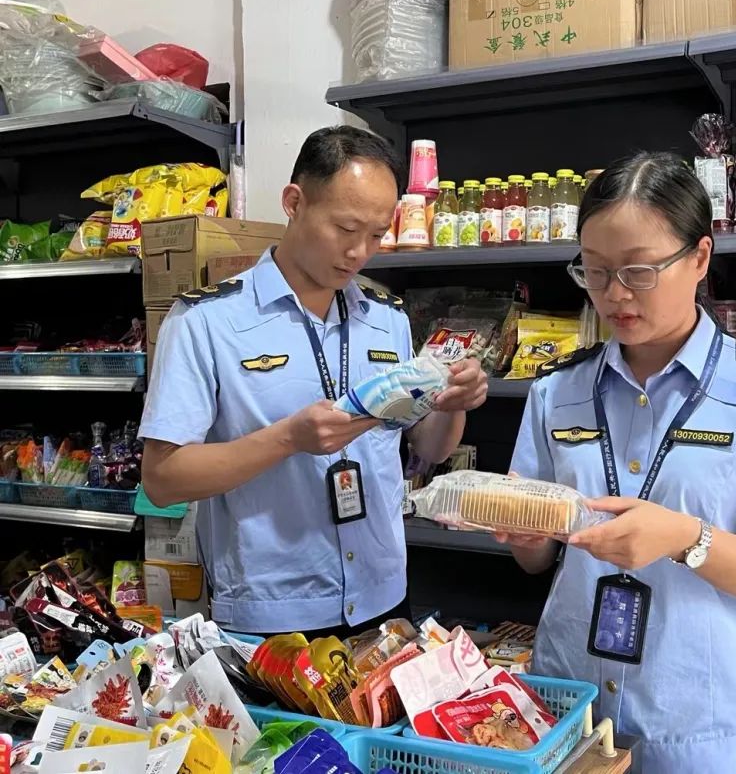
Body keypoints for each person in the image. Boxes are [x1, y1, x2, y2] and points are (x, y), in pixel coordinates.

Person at [504, 152, 736, 773]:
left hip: (700, 732)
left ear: (701, 259)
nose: (615, 295)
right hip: (566, 718)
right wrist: (528, 534)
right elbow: (537, 559)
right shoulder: (556, 392)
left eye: (639, 271)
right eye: (596, 273)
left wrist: (686, 538)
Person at [139, 126, 488, 637]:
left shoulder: (386, 318)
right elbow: (163, 479)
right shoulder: (205, 322)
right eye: (345, 229)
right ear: (294, 202)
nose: (359, 252)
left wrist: (454, 401)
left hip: (383, 595)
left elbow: (429, 447)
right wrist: (287, 439)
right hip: (274, 617)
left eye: (376, 234)